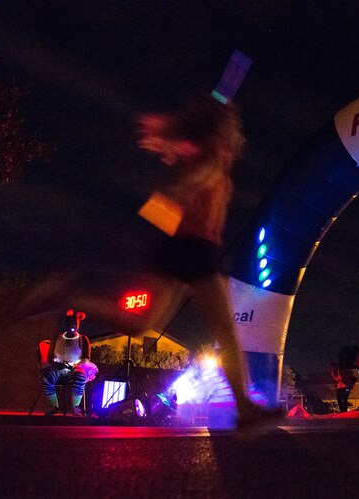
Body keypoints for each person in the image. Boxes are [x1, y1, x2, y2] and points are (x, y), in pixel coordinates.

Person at [135, 92, 280, 429]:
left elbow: (177, 189)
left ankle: (67, 294)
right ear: (220, 129)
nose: (235, 132)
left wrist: (163, 229)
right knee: (225, 331)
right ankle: (245, 409)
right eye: (230, 126)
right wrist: (167, 215)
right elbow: (178, 191)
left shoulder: (205, 154)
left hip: (185, 246)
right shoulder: (209, 157)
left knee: (139, 324)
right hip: (193, 247)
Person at [40, 310, 98, 416]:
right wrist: (55, 363)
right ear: (66, 324)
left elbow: (86, 358)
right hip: (58, 368)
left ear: (78, 324)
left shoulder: (82, 339)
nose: (73, 325)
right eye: (70, 323)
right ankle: (54, 407)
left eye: (75, 323)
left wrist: (74, 365)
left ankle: (75, 408)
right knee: (46, 376)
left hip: (76, 369)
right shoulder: (58, 338)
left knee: (79, 377)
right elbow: (50, 356)